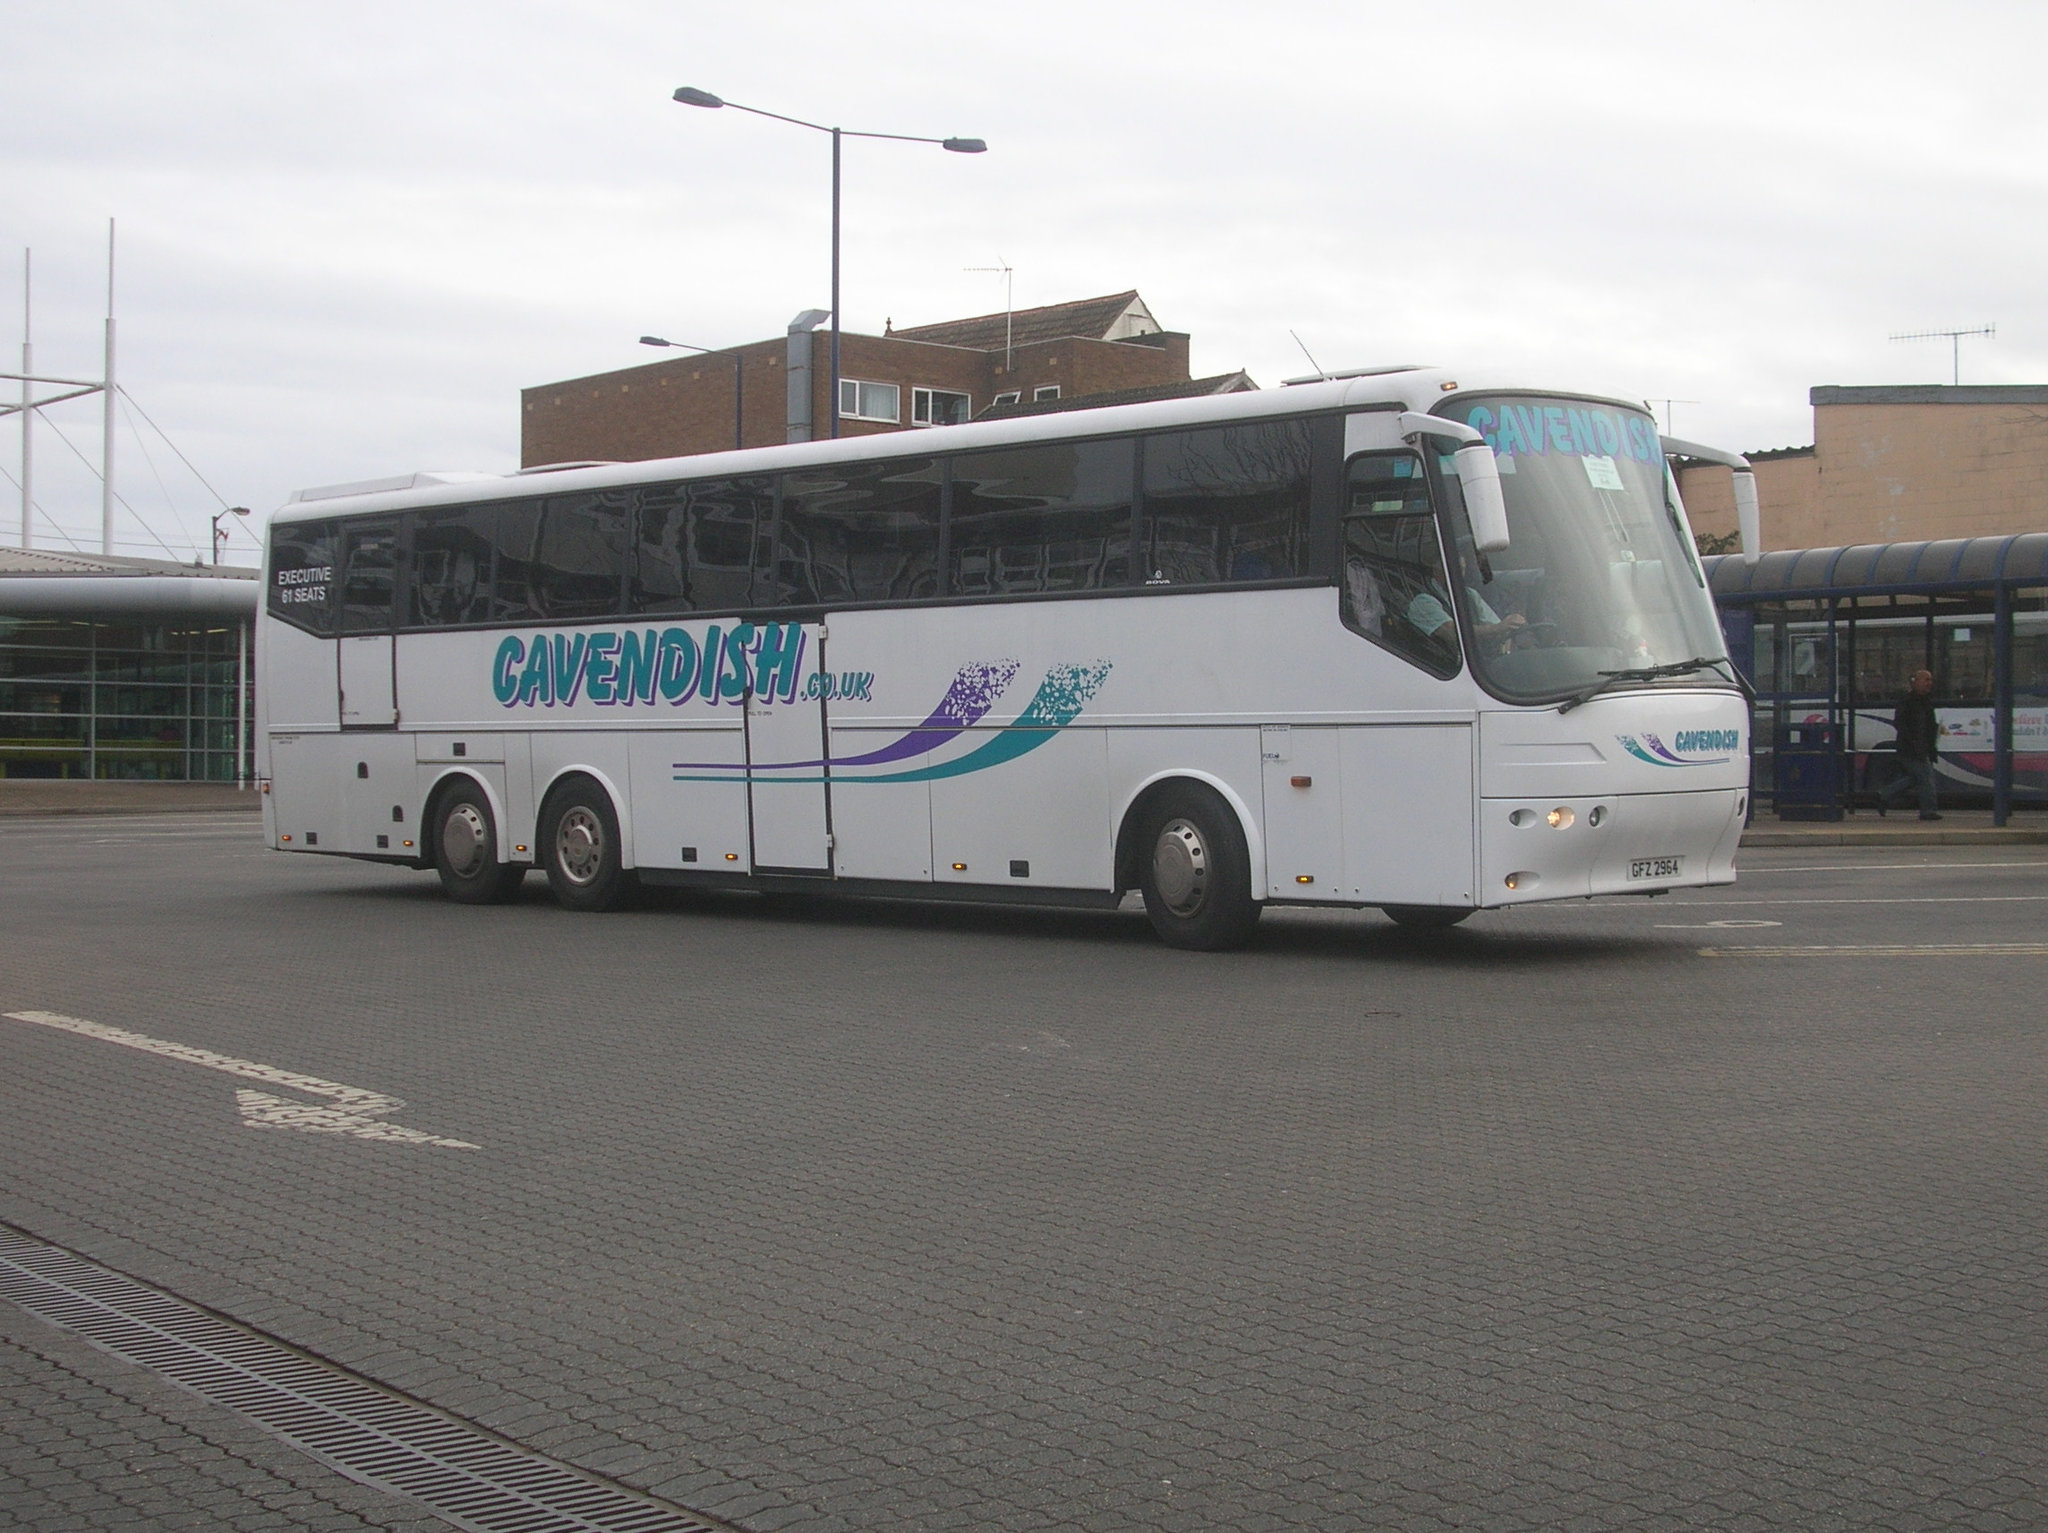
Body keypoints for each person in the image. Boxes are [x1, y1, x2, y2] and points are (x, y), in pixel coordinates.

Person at [1878, 668, 1942, 820]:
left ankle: (1883, 795)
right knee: (1926, 777)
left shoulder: (1925, 701)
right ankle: (1928, 811)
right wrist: (1913, 742)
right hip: (1910, 748)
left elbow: (1929, 726)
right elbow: (1900, 723)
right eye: (1926, 680)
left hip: (1921, 746)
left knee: (1916, 778)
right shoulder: (1907, 701)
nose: (1929, 683)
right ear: (1916, 682)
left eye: (1930, 680)